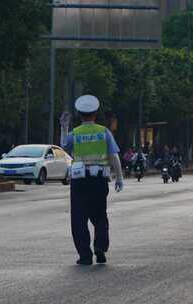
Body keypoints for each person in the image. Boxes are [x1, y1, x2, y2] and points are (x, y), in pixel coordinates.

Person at [63, 95, 124, 266]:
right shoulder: (103, 132)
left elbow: (62, 146)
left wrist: (64, 127)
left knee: (79, 218)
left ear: (79, 114)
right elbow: (114, 156)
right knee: (100, 216)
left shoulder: (74, 133)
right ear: (95, 114)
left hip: (80, 182)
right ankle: (100, 247)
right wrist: (119, 177)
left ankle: (85, 255)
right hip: (99, 181)